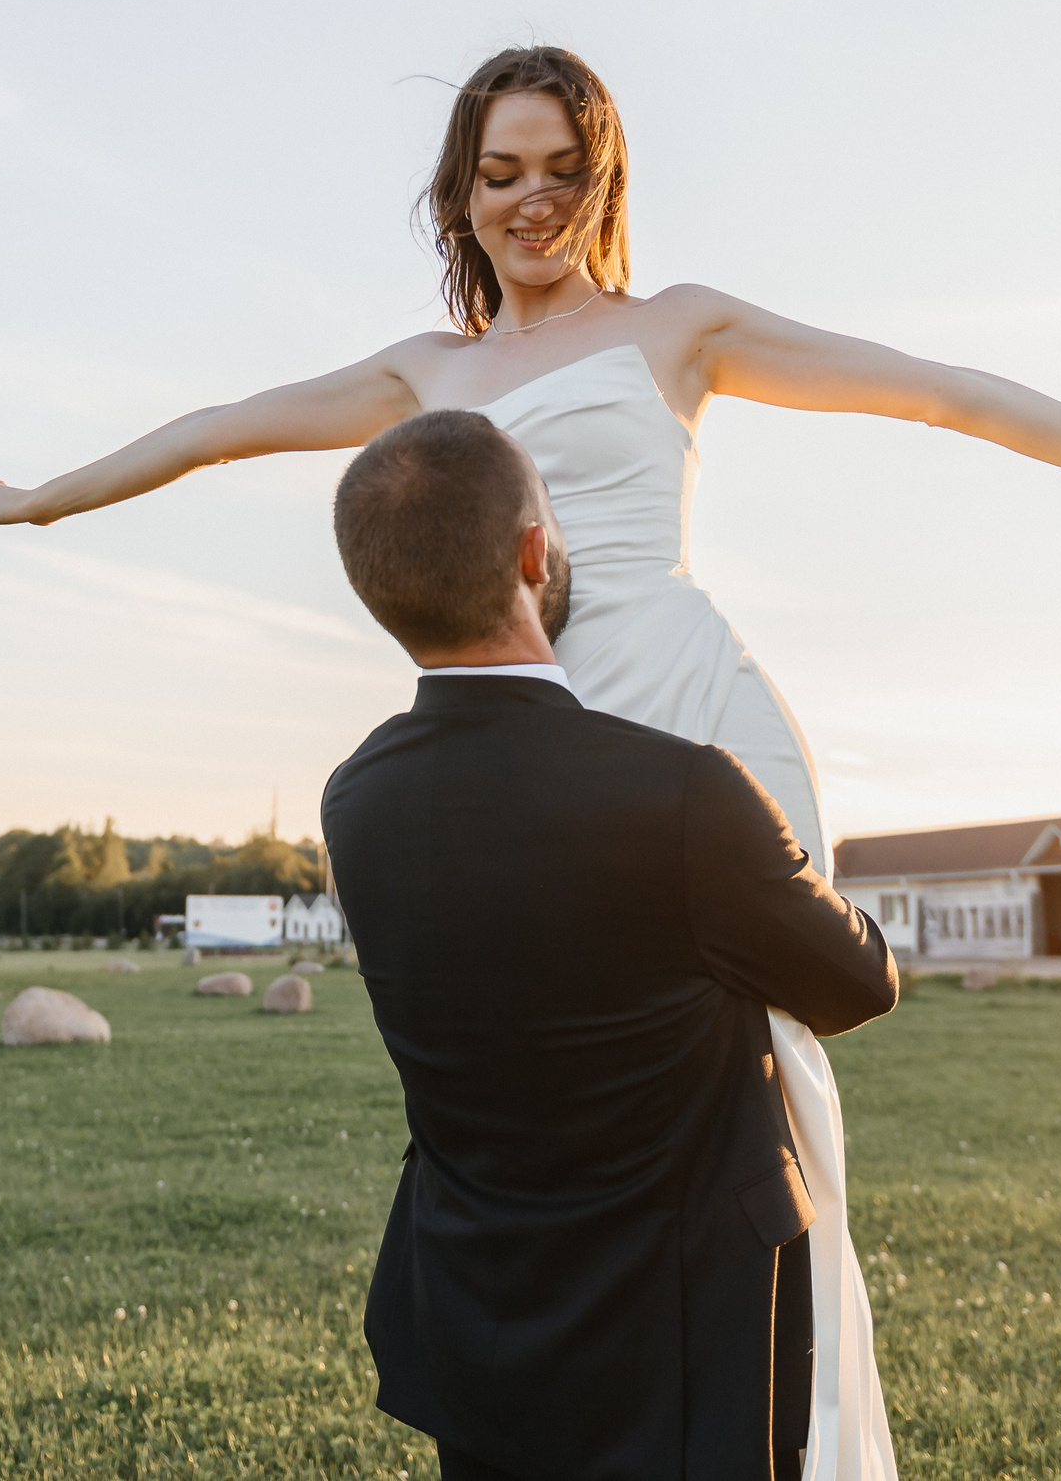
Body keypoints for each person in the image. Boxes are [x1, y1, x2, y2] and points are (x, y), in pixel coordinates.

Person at [0, 45, 1061, 1474]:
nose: (532, 200)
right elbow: (219, 431)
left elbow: (942, 393)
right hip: (514, 717)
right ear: (462, 187)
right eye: (502, 172)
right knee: (551, 1084)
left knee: (768, 1075)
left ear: (602, 174)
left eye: (563, 169)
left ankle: (789, 1419)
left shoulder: (678, 328)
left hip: (687, 712)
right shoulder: (421, 371)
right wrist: (46, 500)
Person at [322, 411, 897, 1481]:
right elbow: (858, 980)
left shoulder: (355, 797)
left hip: (475, 1315)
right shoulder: (687, 791)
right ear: (534, 553)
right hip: (679, 1336)